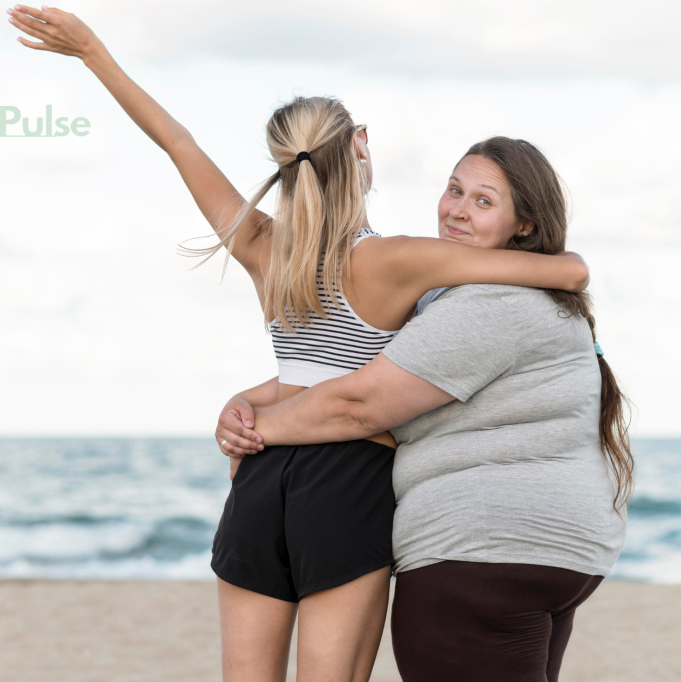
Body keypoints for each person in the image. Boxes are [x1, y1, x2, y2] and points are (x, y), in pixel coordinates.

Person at [7, 8, 591, 681]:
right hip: (350, 485)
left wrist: (94, 54)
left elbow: (177, 141)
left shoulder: (261, 246)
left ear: (284, 164)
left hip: (259, 482)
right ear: (361, 145)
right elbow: (568, 271)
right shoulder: (400, 260)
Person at [219, 138, 633, 682]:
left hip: (481, 551)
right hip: (548, 554)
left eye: (484, 201)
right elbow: (352, 368)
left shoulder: (488, 303)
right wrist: (251, 400)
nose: (458, 209)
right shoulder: (492, 296)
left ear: (525, 226)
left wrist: (257, 432)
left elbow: (358, 403)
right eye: (454, 190)